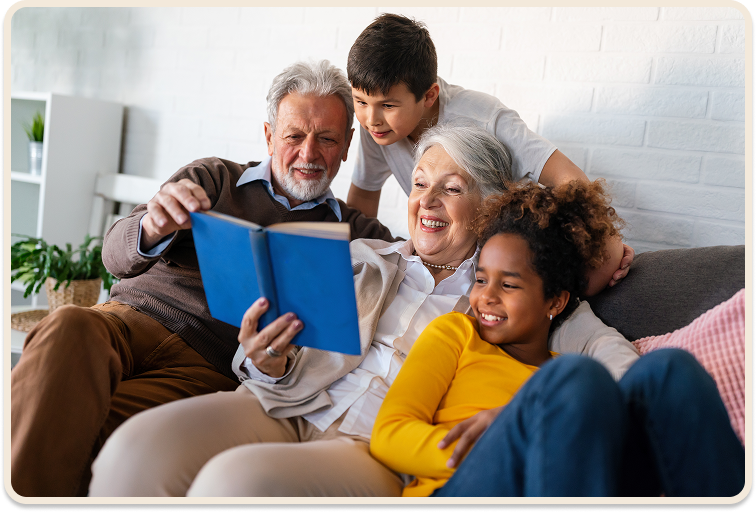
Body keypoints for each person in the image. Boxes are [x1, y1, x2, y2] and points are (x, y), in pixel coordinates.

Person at [89, 124, 639, 497]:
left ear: (490, 205)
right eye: (421, 184)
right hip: (284, 404)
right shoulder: (362, 255)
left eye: (452, 188)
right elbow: (269, 364)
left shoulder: (511, 295)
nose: (427, 201)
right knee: (134, 450)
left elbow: (613, 366)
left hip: (372, 449)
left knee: (235, 483)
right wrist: (266, 359)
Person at [10, 60, 398, 498]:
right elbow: (114, 256)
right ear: (270, 135)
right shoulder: (215, 177)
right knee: (67, 325)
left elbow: (434, 262)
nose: (309, 154)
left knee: (88, 428)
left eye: (326, 139)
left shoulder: (360, 235)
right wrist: (154, 226)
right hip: (128, 320)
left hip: (210, 367)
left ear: (347, 145)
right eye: (294, 136)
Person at [370, 181, 745, 497]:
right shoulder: (456, 333)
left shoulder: (570, 383)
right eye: (481, 279)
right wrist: (515, 430)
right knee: (575, 377)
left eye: (509, 284)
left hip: (574, 478)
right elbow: (389, 434)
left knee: (669, 369)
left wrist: (539, 419)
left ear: (555, 300)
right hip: (465, 485)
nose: (485, 296)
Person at [345, 13, 633, 293]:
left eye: (388, 105)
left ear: (429, 95)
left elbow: (568, 178)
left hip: (503, 254)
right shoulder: (379, 129)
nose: (371, 118)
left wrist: (599, 242)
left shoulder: (486, 118)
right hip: (448, 254)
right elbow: (365, 196)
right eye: (360, 101)